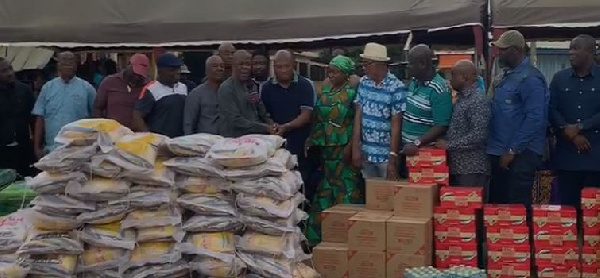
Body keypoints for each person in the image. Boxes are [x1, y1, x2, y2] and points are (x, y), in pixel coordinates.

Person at [305, 55, 364, 245]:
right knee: (325, 191)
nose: (331, 75)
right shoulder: (326, 90)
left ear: (346, 74)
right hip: (326, 149)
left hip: (344, 151)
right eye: (329, 71)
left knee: (346, 190)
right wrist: (311, 139)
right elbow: (318, 117)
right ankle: (316, 240)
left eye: (335, 71)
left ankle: (350, 239)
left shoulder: (353, 92)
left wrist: (351, 146)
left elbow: (357, 122)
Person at [487, 30, 549, 206]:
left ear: (514, 50)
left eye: (502, 49)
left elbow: (534, 118)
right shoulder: (507, 76)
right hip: (500, 149)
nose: (498, 53)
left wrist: (513, 150)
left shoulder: (530, 79)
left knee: (517, 206)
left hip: (521, 154)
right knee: (499, 204)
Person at [550, 34, 600, 207]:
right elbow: (551, 109)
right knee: (568, 212)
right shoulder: (559, 78)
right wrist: (569, 132)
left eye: (576, 48)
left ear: (591, 52)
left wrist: (581, 126)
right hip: (567, 157)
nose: (571, 52)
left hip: (595, 157)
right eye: (570, 48)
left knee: (593, 213)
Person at [351, 42, 407, 179]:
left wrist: (393, 158)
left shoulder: (396, 87)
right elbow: (358, 115)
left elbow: (396, 124)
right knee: (370, 195)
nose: (363, 68)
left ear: (379, 64)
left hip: (385, 156)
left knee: (387, 195)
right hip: (365, 153)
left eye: (366, 64)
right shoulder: (364, 83)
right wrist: (355, 148)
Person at [436, 60, 491, 187]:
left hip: (471, 167)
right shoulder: (462, 98)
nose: (450, 80)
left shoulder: (477, 100)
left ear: (464, 77)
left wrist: (449, 145)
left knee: (471, 206)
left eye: (453, 75)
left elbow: (478, 135)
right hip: (459, 167)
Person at [32, 51, 96, 157]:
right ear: (58, 65)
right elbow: (40, 118)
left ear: (76, 65)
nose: (67, 65)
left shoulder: (87, 88)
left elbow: (95, 117)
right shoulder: (47, 88)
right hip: (52, 148)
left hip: (79, 149)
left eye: (70, 62)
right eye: (63, 62)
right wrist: (37, 147)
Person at [402, 44, 453, 156]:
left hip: (424, 153)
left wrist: (416, 143)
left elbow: (441, 125)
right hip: (407, 149)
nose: (408, 67)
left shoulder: (439, 89)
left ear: (422, 64)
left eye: (411, 63)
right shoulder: (414, 82)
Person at [261, 50, 314, 157]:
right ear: (273, 67)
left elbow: (306, 115)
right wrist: (272, 125)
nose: (283, 70)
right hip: (275, 140)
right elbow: (264, 113)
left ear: (293, 65)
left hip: (300, 141)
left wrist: (286, 126)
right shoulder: (267, 87)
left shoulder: (304, 85)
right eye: (279, 67)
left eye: (287, 66)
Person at [218, 50, 273, 137]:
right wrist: (265, 128)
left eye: (248, 64)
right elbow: (235, 120)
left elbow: (261, 112)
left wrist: (272, 124)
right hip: (234, 139)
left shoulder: (251, 85)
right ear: (233, 65)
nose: (245, 67)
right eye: (241, 64)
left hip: (255, 137)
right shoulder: (226, 88)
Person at [133, 53, 187, 138]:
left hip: (180, 140)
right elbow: (137, 117)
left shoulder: (183, 87)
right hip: (160, 141)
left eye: (178, 69)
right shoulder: (151, 89)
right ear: (160, 70)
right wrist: (150, 138)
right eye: (172, 70)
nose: (177, 72)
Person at [93, 53, 150, 129]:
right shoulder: (109, 82)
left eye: (140, 75)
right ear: (128, 65)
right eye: (135, 73)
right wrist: (101, 129)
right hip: (112, 133)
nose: (137, 77)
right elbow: (98, 108)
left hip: (137, 136)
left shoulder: (147, 87)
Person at [0, 58, 36, 176]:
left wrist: (37, 144)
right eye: (4, 71)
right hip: (2, 150)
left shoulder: (24, 90)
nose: (9, 73)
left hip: (23, 148)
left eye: (10, 68)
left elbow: (33, 120)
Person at [183, 55, 225, 135]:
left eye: (222, 66)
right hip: (205, 140)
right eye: (215, 66)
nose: (219, 69)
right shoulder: (196, 94)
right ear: (207, 71)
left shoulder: (227, 91)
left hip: (225, 140)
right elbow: (188, 123)